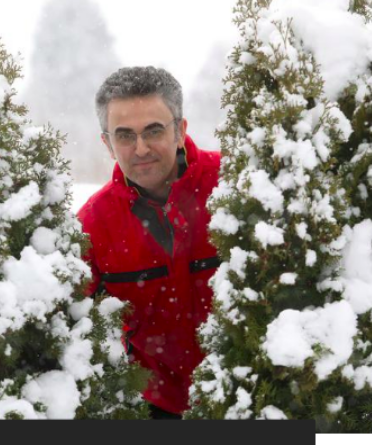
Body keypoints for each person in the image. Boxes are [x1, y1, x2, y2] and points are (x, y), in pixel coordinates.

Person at [77, 67, 221, 420]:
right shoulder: (92, 224)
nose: (140, 148)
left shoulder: (235, 187)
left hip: (247, 394)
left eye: (153, 131)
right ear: (107, 144)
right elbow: (71, 322)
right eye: (124, 135)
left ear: (179, 130)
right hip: (153, 408)